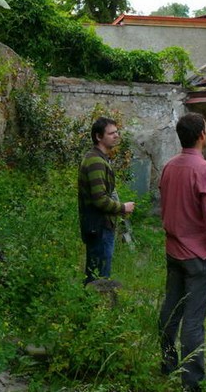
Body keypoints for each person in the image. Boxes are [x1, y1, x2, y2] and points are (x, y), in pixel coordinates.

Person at [158, 112, 206, 392]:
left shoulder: (169, 167)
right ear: (202, 135)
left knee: (170, 310)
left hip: (173, 251)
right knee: (193, 321)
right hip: (198, 257)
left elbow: (165, 204)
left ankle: (167, 362)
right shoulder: (205, 170)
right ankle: (194, 382)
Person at [77, 116, 135, 285]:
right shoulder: (95, 161)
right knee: (99, 279)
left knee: (94, 274)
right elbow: (100, 199)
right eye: (111, 133)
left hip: (98, 226)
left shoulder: (99, 158)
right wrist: (123, 207)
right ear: (98, 137)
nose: (116, 136)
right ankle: (96, 308)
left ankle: (91, 305)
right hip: (99, 226)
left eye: (117, 132)